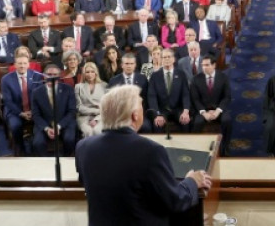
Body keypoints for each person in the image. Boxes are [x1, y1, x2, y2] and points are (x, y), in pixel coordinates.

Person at [75, 85, 211, 225]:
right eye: (141, 105)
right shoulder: (151, 151)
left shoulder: (83, 147)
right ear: (135, 115)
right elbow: (175, 201)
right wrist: (191, 182)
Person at [190, 55, 233, 154]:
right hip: (203, 110)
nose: (204, 67)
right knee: (197, 123)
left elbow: (227, 97)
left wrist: (218, 111)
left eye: (207, 65)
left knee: (227, 121)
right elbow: (195, 99)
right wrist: (204, 112)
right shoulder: (196, 79)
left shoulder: (223, 77)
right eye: (202, 65)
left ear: (214, 65)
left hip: (219, 109)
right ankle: (195, 148)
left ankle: (225, 147)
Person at [148, 49, 192, 133]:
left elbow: (185, 94)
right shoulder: (155, 76)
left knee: (185, 121)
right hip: (161, 110)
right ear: (161, 59)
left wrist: (186, 111)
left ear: (173, 59)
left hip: (178, 109)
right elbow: (152, 96)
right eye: (164, 57)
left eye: (169, 57)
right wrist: (157, 114)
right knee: (157, 124)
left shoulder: (181, 74)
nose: (167, 59)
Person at [76, 62, 107, 138]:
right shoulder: (78, 87)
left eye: (92, 71)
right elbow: (79, 107)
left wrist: (96, 119)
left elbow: (106, 107)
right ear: (84, 74)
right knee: (88, 131)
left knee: (97, 130)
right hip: (84, 117)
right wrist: (96, 110)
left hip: (100, 116)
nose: (90, 74)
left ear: (96, 73)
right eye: (87, 72)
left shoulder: (104, 85)